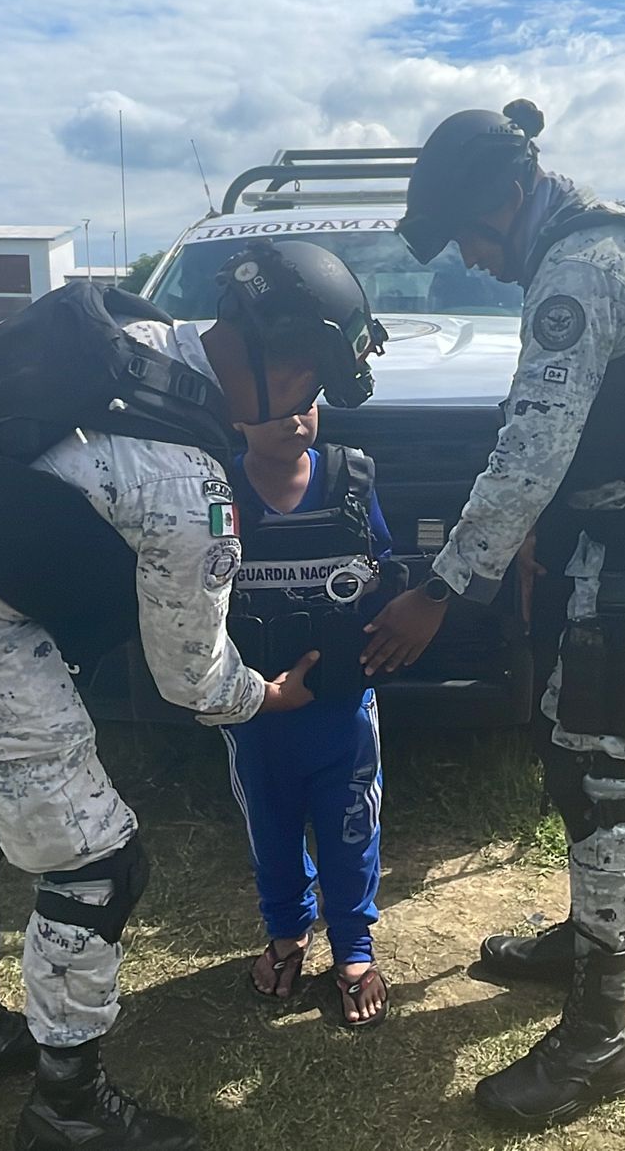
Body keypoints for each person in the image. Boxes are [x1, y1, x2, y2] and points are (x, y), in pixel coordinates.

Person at [0, 240, 381, 1151]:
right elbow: (193, 678)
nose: (306, 397)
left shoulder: (119, 333)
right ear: (275, 357)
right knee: (97, 868)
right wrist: (268, 697)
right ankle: (69, 1106)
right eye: (306, 373)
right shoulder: (191, 481)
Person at [378, 99, 625, 1128]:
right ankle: (581, 944)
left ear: (506, 196)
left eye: (469, 235)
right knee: (564, 742)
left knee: (594, 770)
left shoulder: (577, 270)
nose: (474, 260)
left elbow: (528, 449)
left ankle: (600, 1033)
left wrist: (440, 587)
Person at [223, 404, 392, 1027]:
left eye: (306, 401)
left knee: (351, 828)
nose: (293, 417)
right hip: (255, 711)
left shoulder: (352, 482)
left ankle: (353, 946)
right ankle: (288, 932)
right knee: (271, 829)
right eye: (268, 407)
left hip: (342, 707)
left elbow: (384, 575)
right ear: (236, 415)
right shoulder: (216, 488)